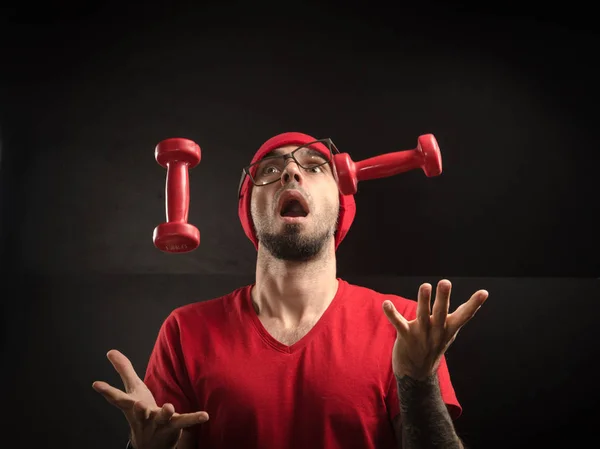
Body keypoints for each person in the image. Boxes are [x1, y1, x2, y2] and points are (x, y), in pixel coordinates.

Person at [93, 132, 489, 449]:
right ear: (249, 209)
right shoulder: (186, 330)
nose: (290, 173)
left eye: (315, 166)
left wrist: (417, 381)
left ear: (340, 203)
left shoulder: (401, 324)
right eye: (269, 169)